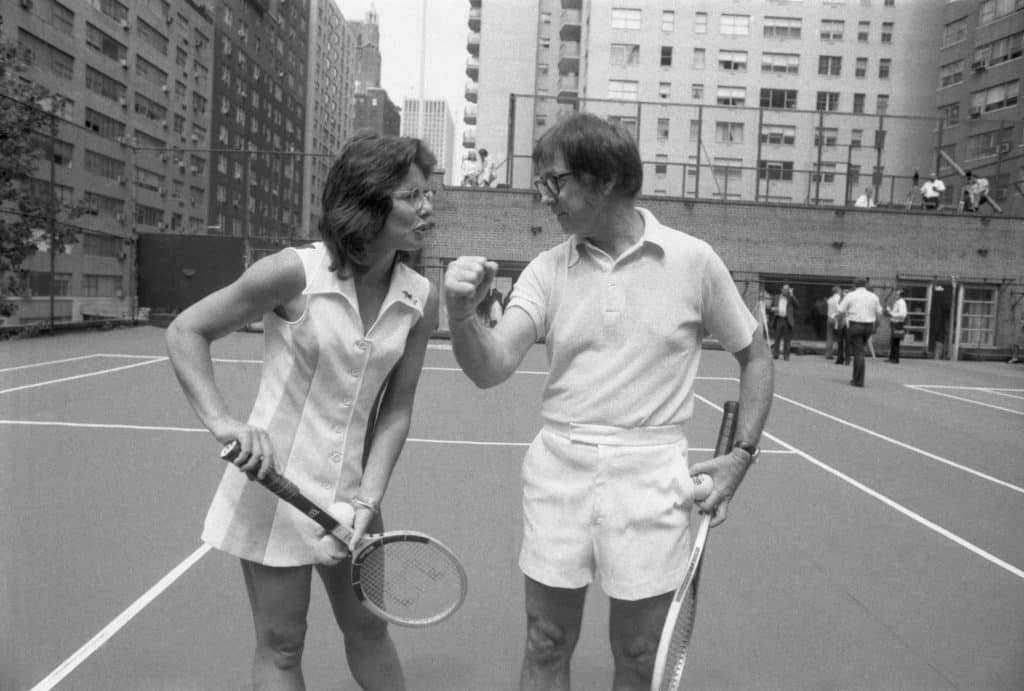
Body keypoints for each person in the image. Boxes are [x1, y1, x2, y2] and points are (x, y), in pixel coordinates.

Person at [443, 113, 774, 690]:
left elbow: (757, 356)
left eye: (555, 182)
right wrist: (460, 315)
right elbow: (491, 366)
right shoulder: (547, 270)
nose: (543, 196)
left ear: (606, 179)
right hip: (559, 468)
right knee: (544, 640)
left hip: (653, 474)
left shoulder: (693, 260)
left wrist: (740, 456)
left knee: (641, 654)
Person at [165, 132, 440, 691]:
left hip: (355, 498)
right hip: (274, 492)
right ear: (368, 201)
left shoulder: (420, 298)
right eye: (412, 196)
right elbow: (186, 330)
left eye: (427, 193)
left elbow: (396, 409)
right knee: (283, 646)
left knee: (369, 630)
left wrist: (368, 498)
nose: (427, 207)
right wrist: (224, 421)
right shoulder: (293, 273)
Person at [837, 277, 882, 387]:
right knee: (860, 350)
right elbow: (879, 313)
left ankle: (858, 380)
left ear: (854, 285)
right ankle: (855, 378)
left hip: (855, 325)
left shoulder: (851, 295)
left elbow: (841, 311)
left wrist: (840, 323)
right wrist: (876, 326)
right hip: (869, 326)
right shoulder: (873, 296)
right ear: (865, 285)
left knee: (858, 352)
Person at [769, 284, 800, 361]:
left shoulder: (791, 298)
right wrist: (773, 309)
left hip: (787, 321)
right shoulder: (776, 297)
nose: (786, 291)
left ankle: (786, 356)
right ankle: (776, 354)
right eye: (784, 289)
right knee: (777, 338)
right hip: (778, 319)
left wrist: (792, 295)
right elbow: (770, 308)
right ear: (781, 289)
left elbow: (798, 306)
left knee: (787, 339)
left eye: (787, 289)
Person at [885, 289, 908, 363]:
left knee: (896, 342)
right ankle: (892, 358)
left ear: (900, 295)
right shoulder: (899, 302)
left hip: (897, 324)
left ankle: (895, 359)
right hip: (895, 323)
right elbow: (896, 312)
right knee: (894, 341)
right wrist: (889, 311)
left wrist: (891, 314)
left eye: (897, 294)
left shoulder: (901, 303)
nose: (895, 295)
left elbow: (903, 314)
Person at [825, 286, 842, 360]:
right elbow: (839, 309)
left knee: (829, 337)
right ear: (838, 291)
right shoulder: (839, 299)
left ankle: (828, 354)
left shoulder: (830, 299)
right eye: (840, 290)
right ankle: (840, 355)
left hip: (829, 319)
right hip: (836, 319)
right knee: (840, 337)